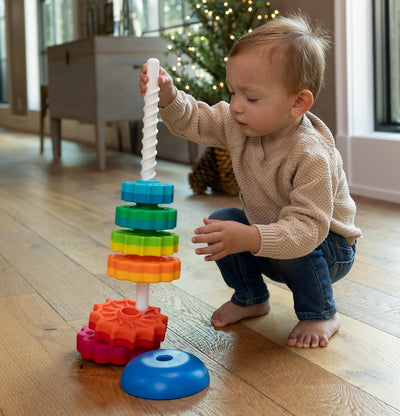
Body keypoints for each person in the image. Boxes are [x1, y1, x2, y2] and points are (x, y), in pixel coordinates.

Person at [139, 14, 361, 348]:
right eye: (232, 93)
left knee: (295, 238)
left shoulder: (311, 154)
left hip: (326, 247)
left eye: (251, 98)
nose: (236, 106)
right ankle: (251, 297)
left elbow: (305, 230)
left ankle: (321, 312)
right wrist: (170, 98)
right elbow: (196, 120)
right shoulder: (237, 122)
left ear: (298, 103)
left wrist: (252, 236)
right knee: (221, 224)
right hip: (270, 234)